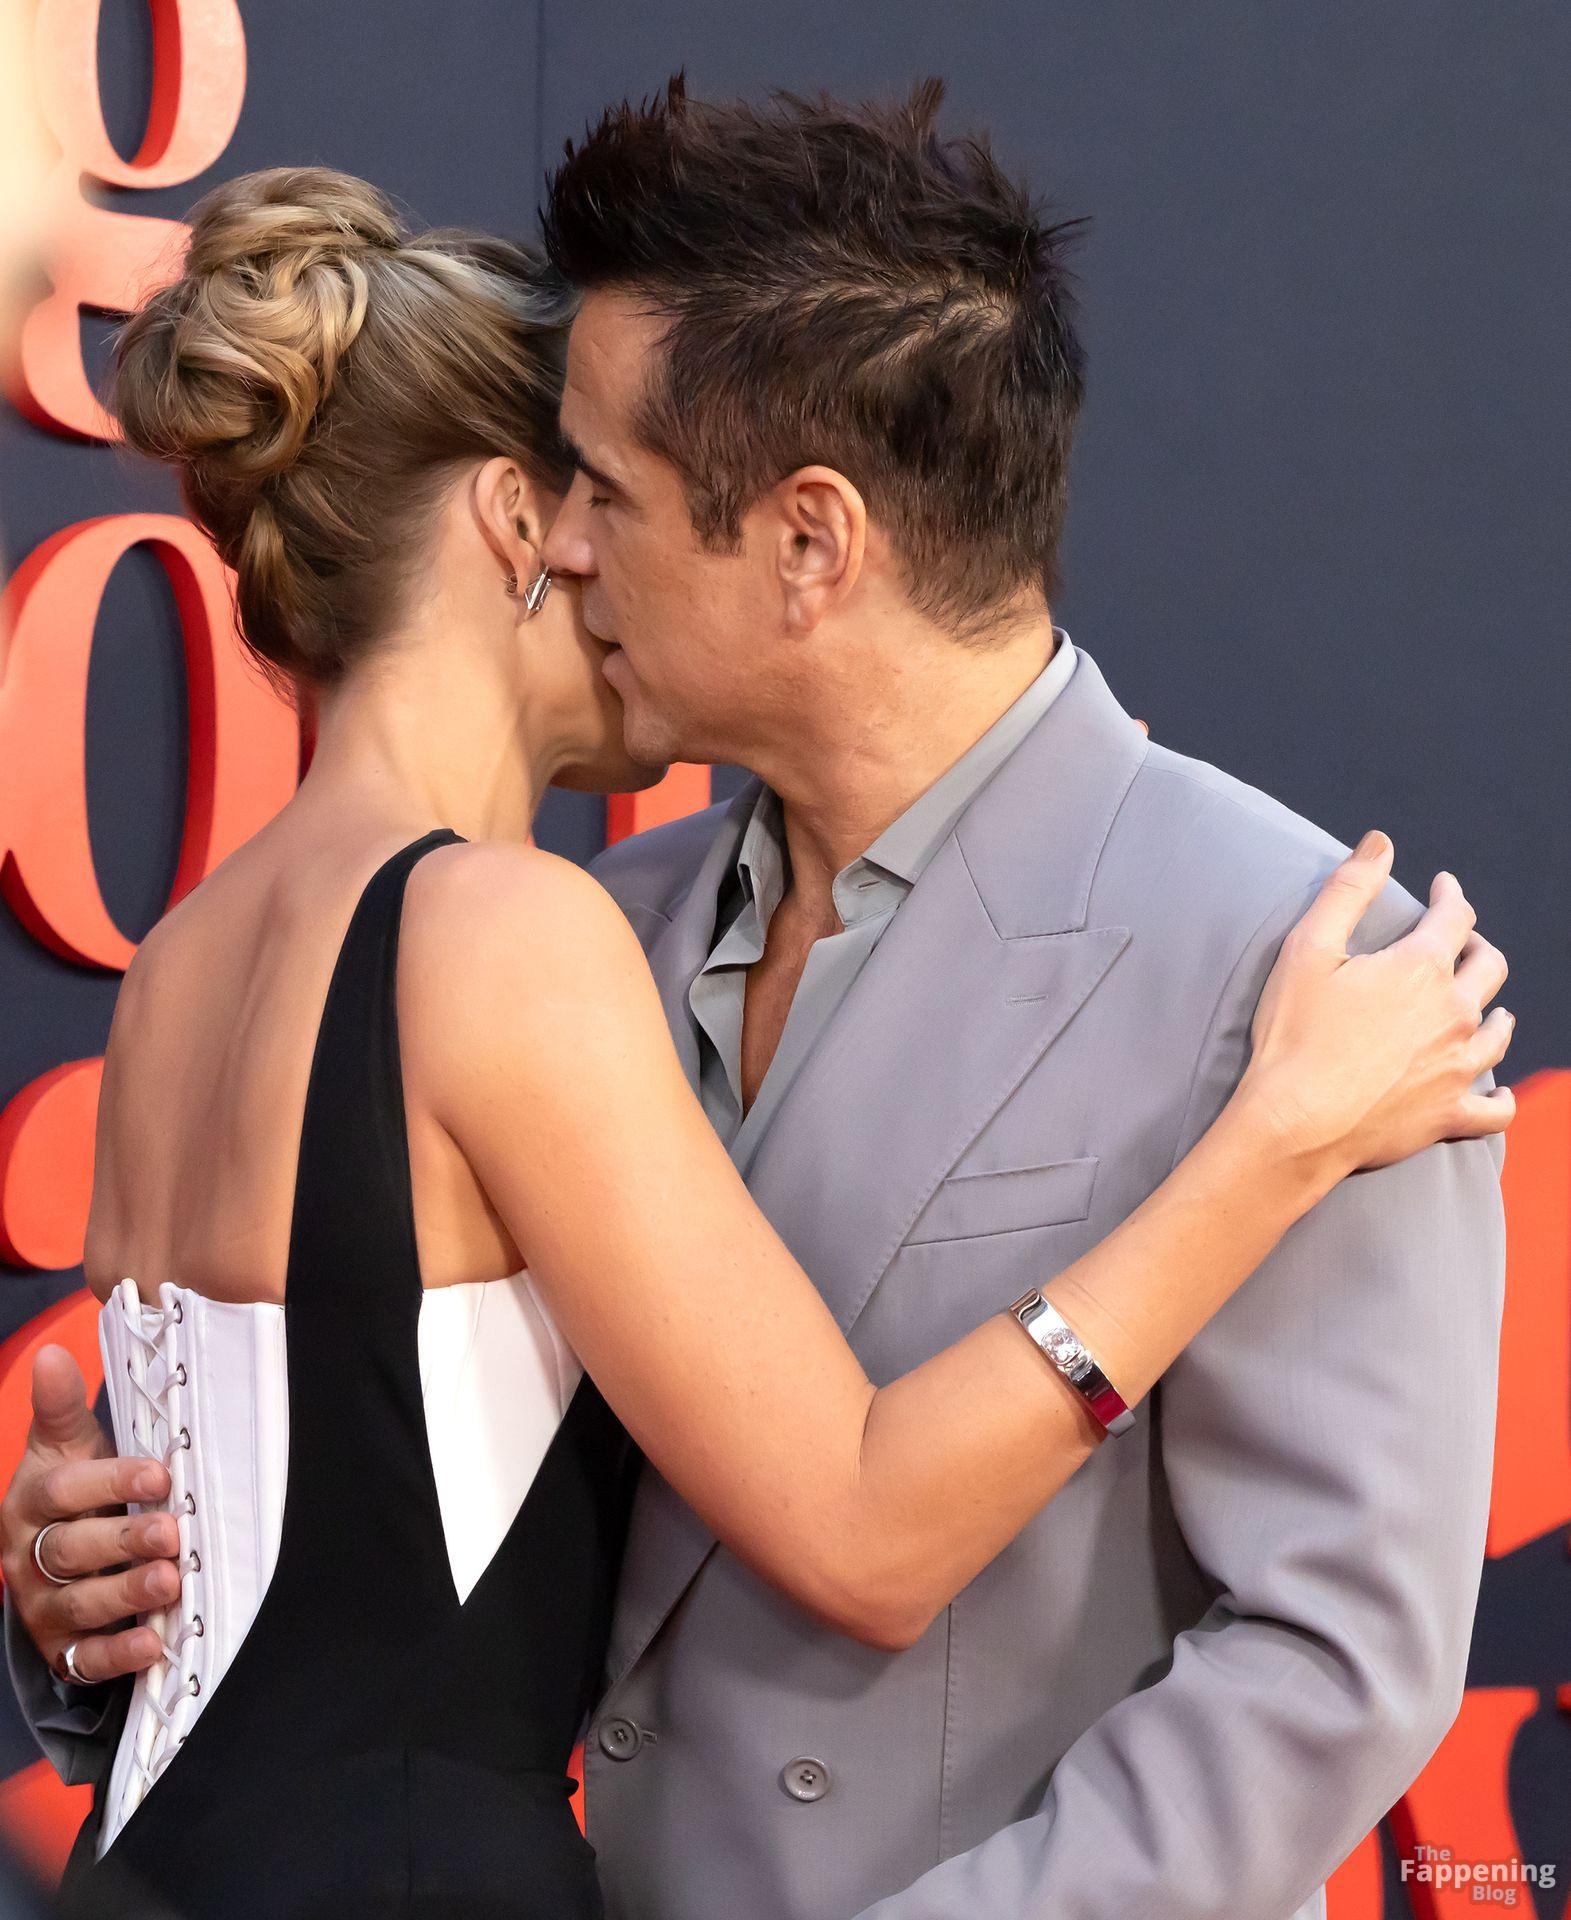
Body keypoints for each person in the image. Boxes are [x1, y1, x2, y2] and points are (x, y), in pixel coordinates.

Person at [0, 139, 1507, 1920]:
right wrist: (98, 1594)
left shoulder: (1312, 974)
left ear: (809, 542)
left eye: (605, 490)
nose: (573, 543)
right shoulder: (589, 927)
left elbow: (1334, 1661)